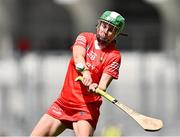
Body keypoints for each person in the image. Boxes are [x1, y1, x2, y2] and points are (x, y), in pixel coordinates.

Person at [30, 10, 125, 137]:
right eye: (104, 25)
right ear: (99, 24)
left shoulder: (114, 56)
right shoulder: (85, 37)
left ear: (116, 34)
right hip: (63, 104)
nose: (105, 31)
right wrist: (86, 72)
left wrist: (96, 88)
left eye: (111, 29)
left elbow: (103, 85)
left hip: (86, 108)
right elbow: (78, 57)